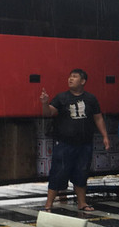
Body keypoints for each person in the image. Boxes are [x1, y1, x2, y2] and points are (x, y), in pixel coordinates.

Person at [40, 68, 111, 212]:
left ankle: (82, 203)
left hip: (84, 143)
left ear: (83, 81)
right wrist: (45, 103)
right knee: (58, 171)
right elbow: (49, 112)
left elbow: (98, 117)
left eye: (75, 77)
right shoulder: (61, 97)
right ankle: (49, 204)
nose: (70, 79)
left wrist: (105, 136)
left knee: (82, 172)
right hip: (65, 143)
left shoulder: (91, 98)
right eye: (70, 76)